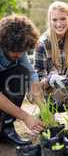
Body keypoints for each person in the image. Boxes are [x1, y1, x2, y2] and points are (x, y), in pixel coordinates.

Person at [34, 1, 68, 112]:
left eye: (63, 19)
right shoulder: (42, 43)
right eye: (54, 20)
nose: (59, 24)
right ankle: (47, 110)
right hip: (43, 88)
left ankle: (55, 106)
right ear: (50, 21)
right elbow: (38, 79)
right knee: (59, 95)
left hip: (63, 85)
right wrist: (51, 79)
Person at [0, 14, 44, 146]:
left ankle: (6, 128)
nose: (19, 55)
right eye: (15, 52)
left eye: (22, 51)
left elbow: (31, 75)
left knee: (21, 73)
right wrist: (25, 117)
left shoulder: (19, 47)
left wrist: (43, 108)